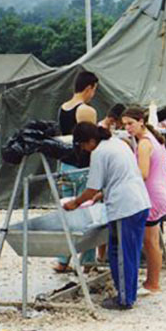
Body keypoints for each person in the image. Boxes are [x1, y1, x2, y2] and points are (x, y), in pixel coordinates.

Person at [64, 122, 151, 310]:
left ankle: (125, 299)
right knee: (130, 252)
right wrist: (101, 194)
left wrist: (75, 203)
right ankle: (129, 293)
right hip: (139, 201)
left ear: (90, 141)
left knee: (121, 253)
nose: (84, 149)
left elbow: (91, 188)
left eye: (83, 145)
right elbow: (118, 176)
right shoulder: (117, 143)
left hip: (125, 206)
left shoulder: (99, 153)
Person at [122, 107, 166, 293]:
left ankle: (152, 283)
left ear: (141, 121)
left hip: (152, 196)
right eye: (125, 125)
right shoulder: (154, 139)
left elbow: (143, 174)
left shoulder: (145, 143)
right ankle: (152, 281)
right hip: (160, 192)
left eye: (130, 123)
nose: (128, 128)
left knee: (151, 242)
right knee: (153, 241)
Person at [54, 70, 100, 273]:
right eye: (94, 90)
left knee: (68, 213)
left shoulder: (63, 108)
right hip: (83, 166)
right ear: (89, 87)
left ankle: (62, 259)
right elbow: (93, 140)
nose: (93, 95)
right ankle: (87, 261)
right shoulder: (86, 110)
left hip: (65, 166)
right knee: (87, 214)